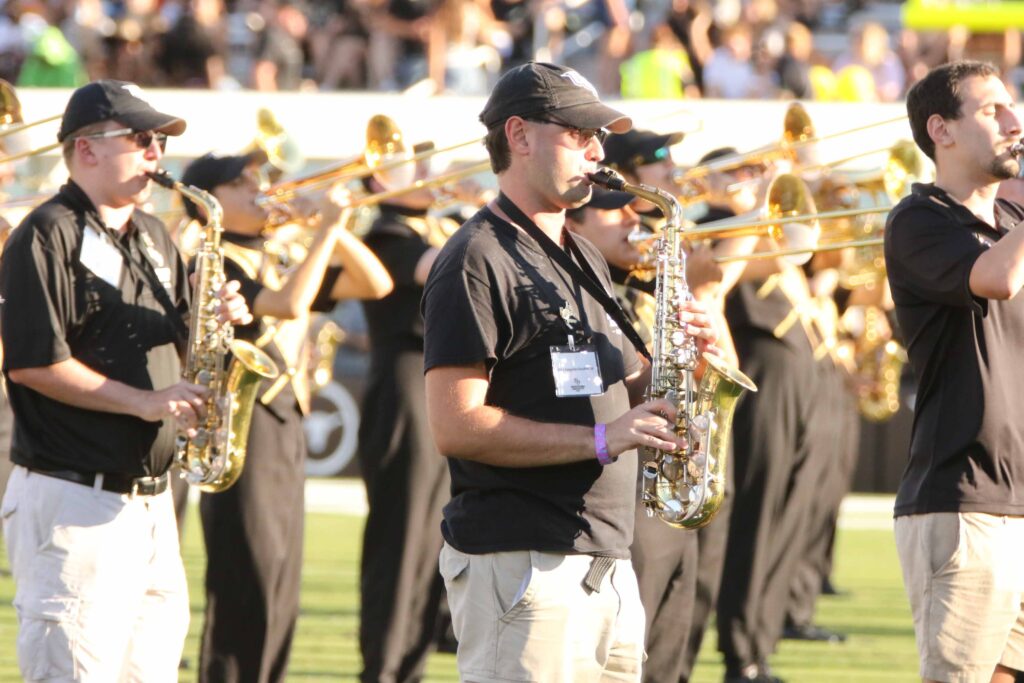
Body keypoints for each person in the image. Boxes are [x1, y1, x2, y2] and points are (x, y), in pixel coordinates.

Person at [421, 61, 721, 681]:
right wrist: (603, 439)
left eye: (600, 138)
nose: (597, 152)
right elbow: (457, 426)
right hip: (524, 563)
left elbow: (620, 382)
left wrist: (685, 363)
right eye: (578, 135)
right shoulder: (475, 257)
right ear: (519, 135)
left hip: (605, 561)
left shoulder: (581, 250)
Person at [0, 79, 251, 682]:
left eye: (159, 140)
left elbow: (176, 346)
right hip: (74, 499)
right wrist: (144, 402)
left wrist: (215, 321)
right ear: (86, 149)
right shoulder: (46, 232)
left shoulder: (157, 238)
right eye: (141, 139)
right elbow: (33, 361)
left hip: (150, 502)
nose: (156, 154)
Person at [178, 151, 392, 683]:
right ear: (206, 202)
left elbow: (375, 283)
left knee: (279, 581)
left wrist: (328, 226)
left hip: (282, 418)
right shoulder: (214, 258)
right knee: (246, 578)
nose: (260, 187)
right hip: (239, 424)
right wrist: (326, 227)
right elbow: (290, 304)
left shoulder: (272, 254)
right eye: (241, 181)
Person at [887, 60, 1024, 683]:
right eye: (994, 110)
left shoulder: (1014, 227)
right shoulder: (919, 220)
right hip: (964, 499)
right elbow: (996, 279)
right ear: (940, 130)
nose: (1016, 122)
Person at [356, 148, 450, 683]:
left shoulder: (437, 226)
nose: (432, 173)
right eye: (416, 166)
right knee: (402, 538)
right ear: (380, 179)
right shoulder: (388, 235)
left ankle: (409, 666)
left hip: (433, 385)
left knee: (432, 542)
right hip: (402, 386)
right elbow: (442, 266)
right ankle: (384, 669)